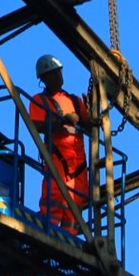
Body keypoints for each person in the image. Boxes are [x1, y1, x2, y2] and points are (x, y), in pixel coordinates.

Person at [29, 54, 90, 235]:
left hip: (77, 160)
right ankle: (50, 231)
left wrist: (94, 109)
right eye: (53, 74)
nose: (58, 77)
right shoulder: (40, 100)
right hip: (57, 157)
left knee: (77, 199)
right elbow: (35, 124)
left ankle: (69, 236)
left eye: (59, 72)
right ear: (44, 79)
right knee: (55, 196)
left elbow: (90, 123)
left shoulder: (75, 101)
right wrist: (61, 120)